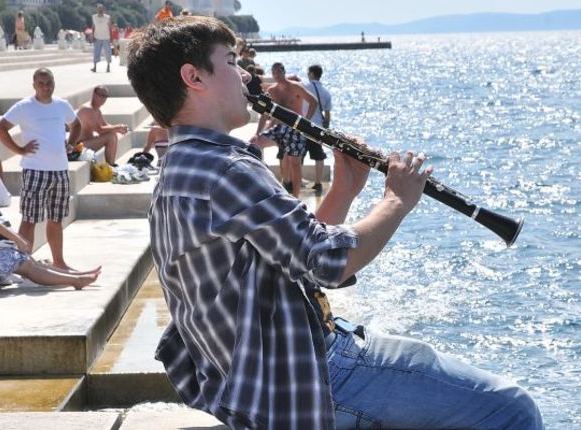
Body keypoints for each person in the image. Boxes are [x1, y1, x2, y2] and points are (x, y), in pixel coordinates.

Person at [127, 16, 543, 429]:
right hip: (306, 377)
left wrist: (344, 188)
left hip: (264, 373)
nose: (245, 76)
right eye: (231, 61)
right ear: (193, 76)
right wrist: (398, 200)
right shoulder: (226, 171)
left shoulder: (183, 167)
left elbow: (296, 259)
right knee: (511, 409)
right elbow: (329, 262)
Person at [0, 150, 100, 288]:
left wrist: (14, 240)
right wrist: (17, 239)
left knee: (28, 259)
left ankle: (76, 275)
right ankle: (76, 281)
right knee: (25, 263)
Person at [0, 68, 85, 272]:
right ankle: (24, 264)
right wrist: (19, 149)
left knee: (56, 218)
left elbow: (77, 125)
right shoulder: (24, 106)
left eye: (49, 83)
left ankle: (59, 262)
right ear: (34, 85)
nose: (46, 87)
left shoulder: (62, 105)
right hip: (35, 170)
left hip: (60, 171)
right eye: (41, 83)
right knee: (30, 219)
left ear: (54, 84)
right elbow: (0, 128)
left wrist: (70, 144)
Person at [253, 62, 317, 197]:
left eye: (278, 72)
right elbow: (264, 114)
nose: (276, 75)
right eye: (273, 72)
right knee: (254, 144)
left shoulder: (296, 87)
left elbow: (313, 101)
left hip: (295, 128)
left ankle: (296, 196)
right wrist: (258, 133)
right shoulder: (271, 91)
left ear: (284, 72)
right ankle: (262, 187)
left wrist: (306, 121)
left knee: (294, 163)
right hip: (279, 128)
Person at [74, 86, 128, 166]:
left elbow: (105, 125)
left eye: (106, 96)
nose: (103, 99)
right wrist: (117, 127)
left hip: (87, 143)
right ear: (94, 95)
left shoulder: (97, 110)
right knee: (111, 137)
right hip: (78, 147)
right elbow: (99, 130)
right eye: (101, 95)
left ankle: (111, 166)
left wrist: (120, 128)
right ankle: (111, 165)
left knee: (112, 134)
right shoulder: (87, 109)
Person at [303, 64, 332, 193]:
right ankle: (318, 182)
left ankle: (299, 180)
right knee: (319, 155)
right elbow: (327, 114)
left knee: (299, 154)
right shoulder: (325, 92)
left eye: (308, 73)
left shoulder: (304, 88)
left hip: (304, 125)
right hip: (318, 127)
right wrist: (326, 126)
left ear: (312, 74)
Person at [91, 4, 112, 73]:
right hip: (97, 37)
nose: (100, 10)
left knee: (108, 53)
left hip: (106, 37)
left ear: (103, 9)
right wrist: (92, 35)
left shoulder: (107, 17)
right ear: (97, 9)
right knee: (96, 52)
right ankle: (94, 67)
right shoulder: (94, 17)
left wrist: (111, 37)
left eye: (101, 9)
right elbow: (93, 26)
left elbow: (110, 28)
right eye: (99, 9)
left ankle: (108, 67)